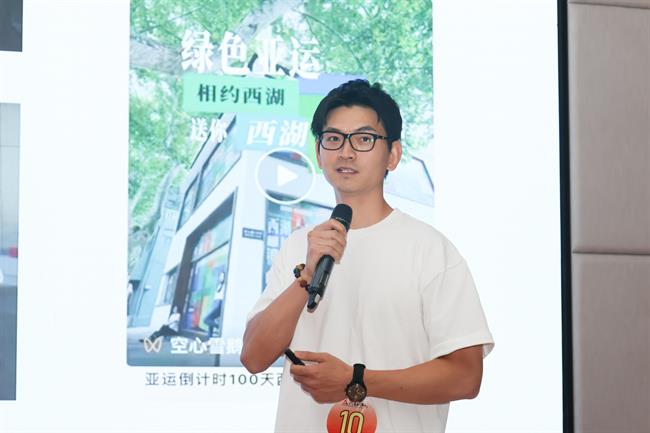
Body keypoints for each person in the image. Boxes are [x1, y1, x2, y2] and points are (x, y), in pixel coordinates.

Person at [241, 79, 494, 433]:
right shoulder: (300, 246)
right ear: (319, 153)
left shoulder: (430, 250)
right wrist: (306, 276)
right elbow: (254, 357)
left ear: (393, 154)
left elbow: (466, 377)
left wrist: (356, 380)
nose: (346, 152)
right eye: (333, 138)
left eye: (363, 139)